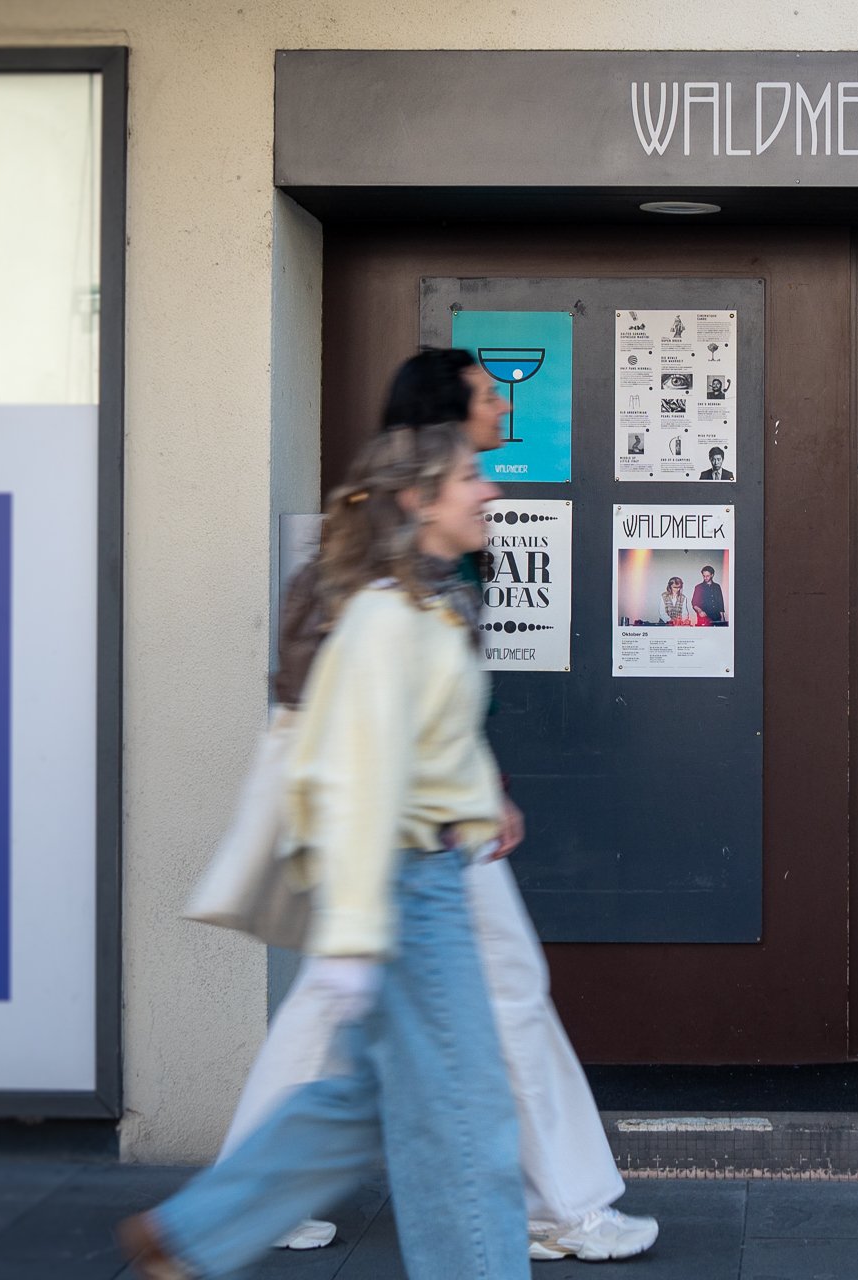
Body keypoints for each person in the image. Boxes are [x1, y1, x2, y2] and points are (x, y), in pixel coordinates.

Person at [226, 350, 657, 1263]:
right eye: (487, 393)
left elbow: (433, 689)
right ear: (443, 427)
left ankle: (555, 1202)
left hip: (428, 820)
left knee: (414, 1006)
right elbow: (355, 692)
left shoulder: (448, 515)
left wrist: (479, 778)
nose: (503, 402)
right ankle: (560, 1206)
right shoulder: (391, 518)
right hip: (401, 834)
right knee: (436, 1001)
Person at [119, 424, 525, 1280]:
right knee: (464, 1119)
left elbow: (425, 741)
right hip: (408, 890)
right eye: (470, 477)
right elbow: (354, 785)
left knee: (369, 1097)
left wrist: (483, 802)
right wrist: (349, 941)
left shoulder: (429, 607)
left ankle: (195, 1232)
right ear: (417, 501)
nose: (488, 490)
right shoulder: (384, 620)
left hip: (430, 873)